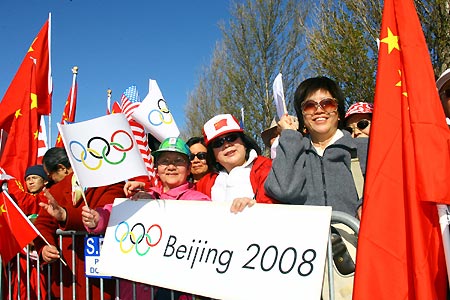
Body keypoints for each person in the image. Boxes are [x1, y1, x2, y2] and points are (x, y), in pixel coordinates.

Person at [82, 137, 210, 300]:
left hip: (175, 293)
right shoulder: (142, 196)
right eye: (164, 161)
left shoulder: (200, 200)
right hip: (132, 292)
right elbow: (111, 214)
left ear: (189, 168)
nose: (171, 166)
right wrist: (96, 219)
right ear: (156, 168)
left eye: (178, 161)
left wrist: (154, 208)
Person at [264, 76, 368, 217]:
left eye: (327, 104)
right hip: (306, 237)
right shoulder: (294, 151)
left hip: (354, 236)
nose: (319, 110)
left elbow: (389, 192)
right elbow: (283, 190)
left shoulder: (364, 148)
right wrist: (289, 136)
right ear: (302, 117)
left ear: (338, 113)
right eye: (310, 106)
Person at [32, 147, 125, 300]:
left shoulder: (112, 183)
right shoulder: (57, 188)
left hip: (101, 284)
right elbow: (42, 223)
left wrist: (66, 215)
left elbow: (109, 213)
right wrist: (45, 247)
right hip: (66, 280)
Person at [196, 113, 277, 210]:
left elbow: (275, 204)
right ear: (213, 155)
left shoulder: (267, 168)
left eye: (232, 138)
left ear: (244, 143)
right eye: (218, 143)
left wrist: (255, 205)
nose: (227, 145)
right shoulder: (205, 183)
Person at [4, 165, 49, 300]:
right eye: (28, 179)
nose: (30, 181)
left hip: (43, 257)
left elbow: (29, 203)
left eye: (34, 178)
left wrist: (8, 181)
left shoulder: (47, 197)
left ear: (45, 181)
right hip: (23, 257)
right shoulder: (27, 198)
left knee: (42, 291)